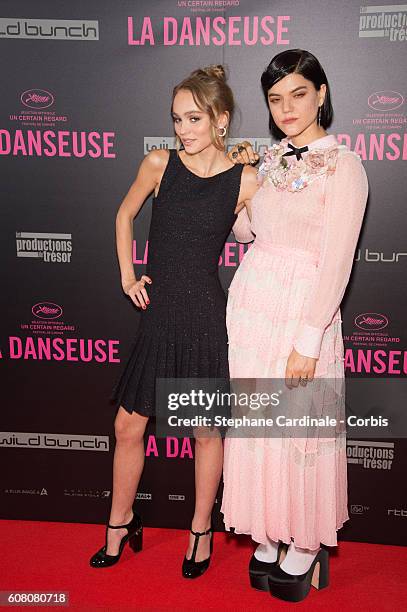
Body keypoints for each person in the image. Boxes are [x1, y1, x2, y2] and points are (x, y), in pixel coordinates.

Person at [89, 65, 257, 578]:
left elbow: (254, 238)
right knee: (127, 424)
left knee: (206, 433)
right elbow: (124, 215)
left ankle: (201, 531)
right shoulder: (160, 163)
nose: (182, 129)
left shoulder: (245, 178)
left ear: (220, 119)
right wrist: (127, 276)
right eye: (176, 119)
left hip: (207, 313)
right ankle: (120, 523)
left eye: (193, 118)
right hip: (160, 314)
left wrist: (254, 173)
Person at [222, 49, 368, 602]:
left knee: (301, 429)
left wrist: (309, 339)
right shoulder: (270, 160)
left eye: (298, 95)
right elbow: (245, 234)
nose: (286, 108)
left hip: (302, 312)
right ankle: (267, 531)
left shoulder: (345, 166)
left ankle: (305, 545)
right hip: (254, 307)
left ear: (322, 94)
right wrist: (242, 187)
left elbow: (337, 261)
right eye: (275, 100)